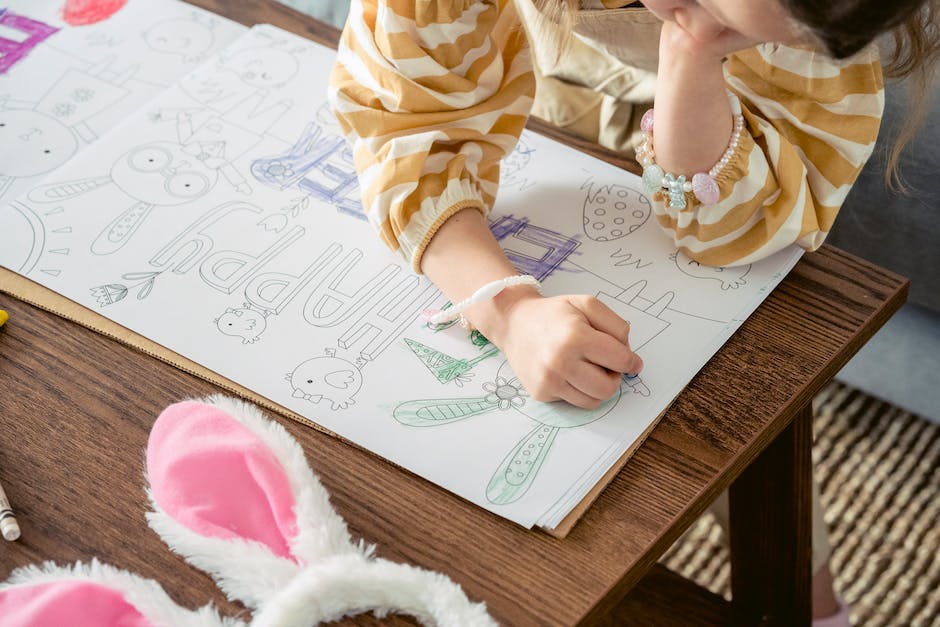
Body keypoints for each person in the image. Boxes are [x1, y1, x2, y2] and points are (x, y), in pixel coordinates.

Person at [329, 0, 940, 623]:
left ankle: (810, 609)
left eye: (736, 30)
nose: (707, 19)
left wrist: (691, 54)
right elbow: (404, 126)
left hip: (704, 144)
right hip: (535, 113)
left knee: (736, 395)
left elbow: (746, 225)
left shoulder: (823, 15)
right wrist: (506, 310)